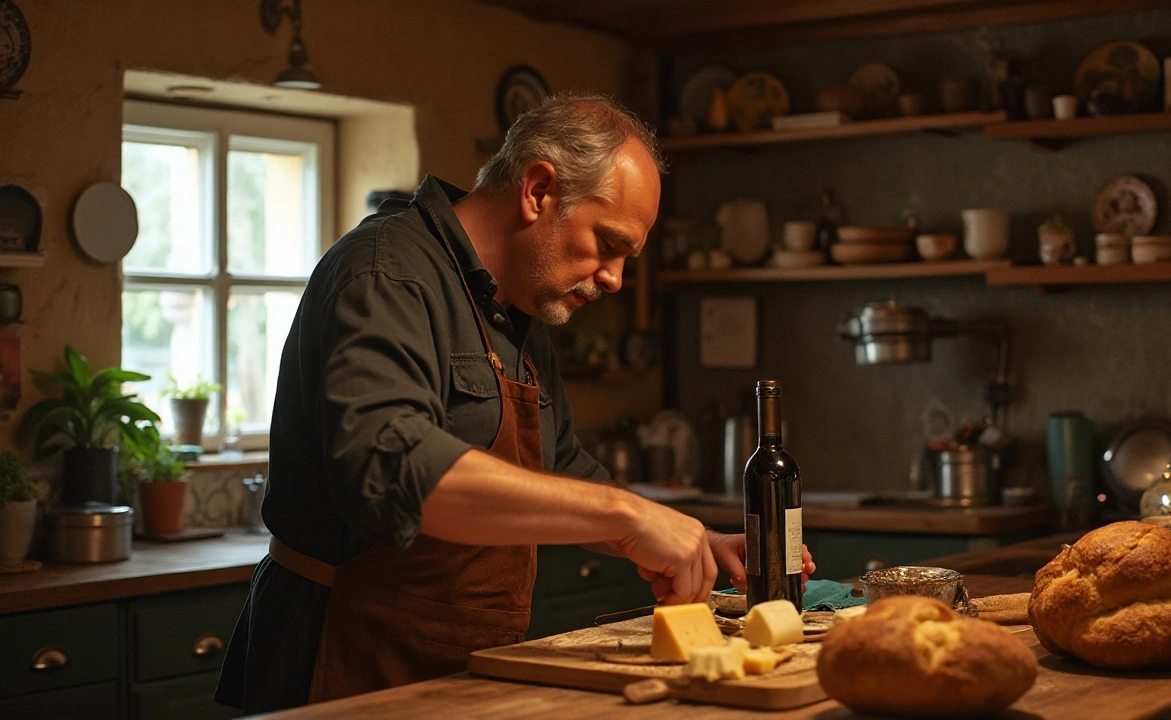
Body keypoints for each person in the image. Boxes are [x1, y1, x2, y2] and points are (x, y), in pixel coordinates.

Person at [214, 94, 814, 714]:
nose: (613, 278)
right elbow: (391, 467)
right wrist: (624, 516)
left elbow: (559, 469)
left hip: (461, 663)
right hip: (345, 653)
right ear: (538, 190)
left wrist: (691, 537)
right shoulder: (387, 274)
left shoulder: (519, 307)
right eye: (606, 243)